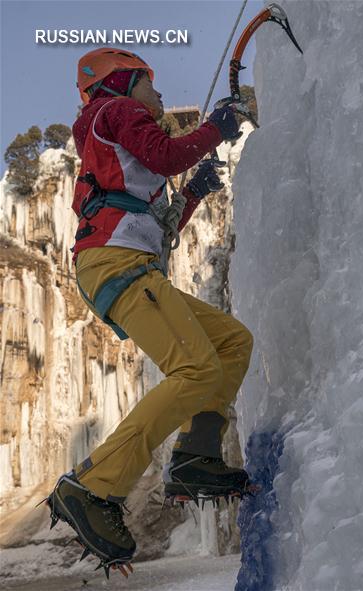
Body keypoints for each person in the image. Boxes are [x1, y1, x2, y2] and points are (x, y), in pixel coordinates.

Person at [46, 48, 254, 575]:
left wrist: (196, 192)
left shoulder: (119, 146)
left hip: (125, 263)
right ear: (122, 82)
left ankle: (195, 455)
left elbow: (159, 231)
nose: (158, 94)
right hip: (118, 264)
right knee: (197, 368)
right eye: (149, 82)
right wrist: (215, 128)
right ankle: (93, 485)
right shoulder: (113, 111)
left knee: (231, 341)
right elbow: (166, 156)